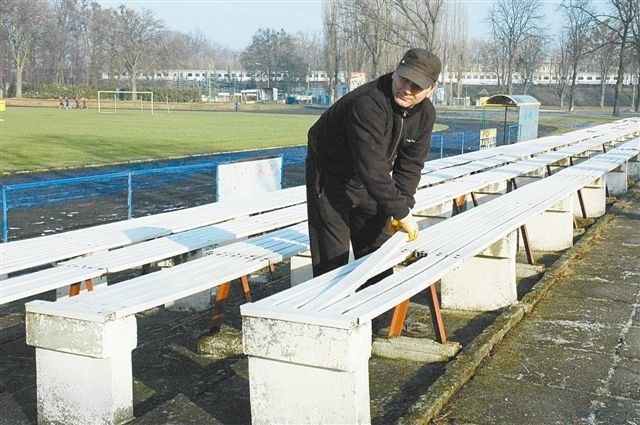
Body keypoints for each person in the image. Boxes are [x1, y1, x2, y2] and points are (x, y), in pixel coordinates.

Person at [305, 48, 441, 278]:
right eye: (403, 79)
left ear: (431, 89)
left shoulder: (425, 114)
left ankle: (379, 314)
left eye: (416, 86)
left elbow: (411, 164)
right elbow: (372, 166)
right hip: (331, 179)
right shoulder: (368, 103)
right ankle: (333, 311)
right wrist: (401, 212)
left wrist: (403, 207)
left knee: (377, 258)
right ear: (395, 72)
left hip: (370, 181)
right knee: (333, 261)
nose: (406, 89)